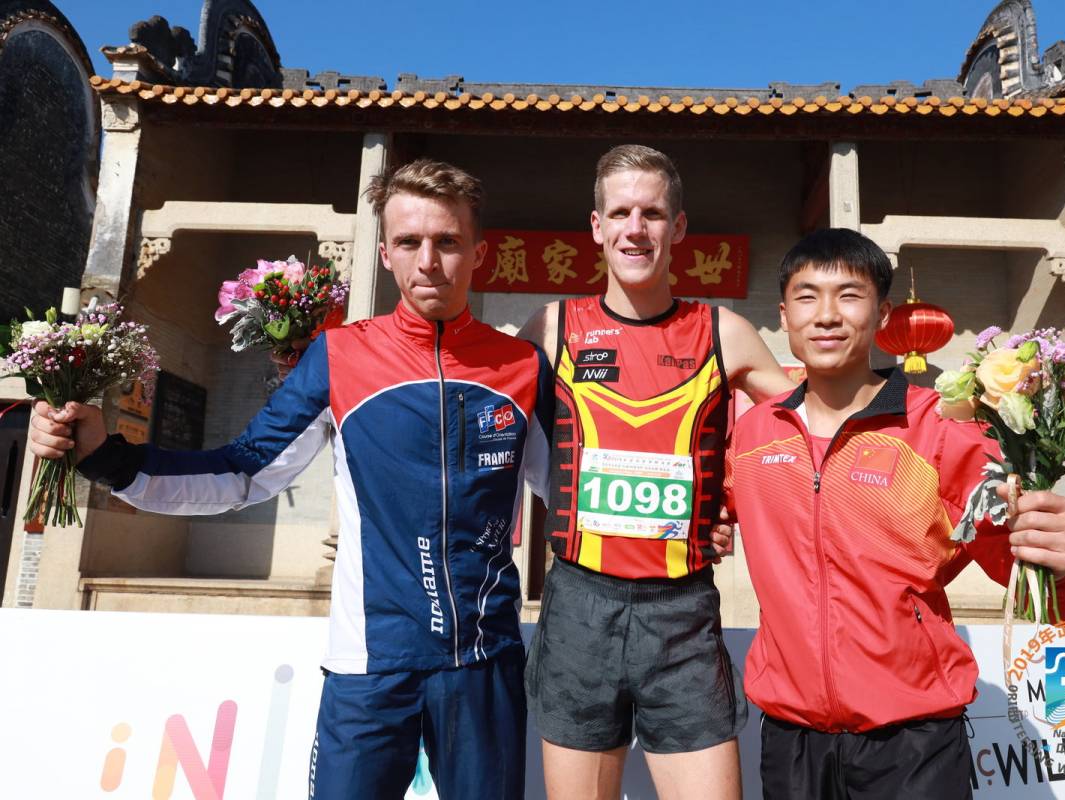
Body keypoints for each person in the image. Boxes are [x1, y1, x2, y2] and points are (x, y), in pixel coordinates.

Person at [28, 159, 552, 800]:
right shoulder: (342, 356)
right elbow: (244, 470)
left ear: (479, 251)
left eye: (447, 242)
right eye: (410, 243)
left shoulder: (523, 366)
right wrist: (106, 456)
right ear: (385, 253)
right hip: (368, 668)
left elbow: (576, 496)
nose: (428, 262)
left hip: (484, 665)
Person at [725, 228, 1065, 799]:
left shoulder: (941, 432)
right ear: (783, 315)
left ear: (882, 314)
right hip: (791, 739)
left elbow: (1034, 582)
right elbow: (708, 518)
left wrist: (1062, 564)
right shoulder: (751, 433)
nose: (826, 315)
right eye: (807, 296)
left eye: (849, 295)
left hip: (914, 741)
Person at [518, 144, 795, 800]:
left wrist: (725, 494)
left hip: (682, 612)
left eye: (652, 213)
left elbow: (799, 439)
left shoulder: (725, 331)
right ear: (596, 227)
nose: (634, 228)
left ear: (679, 227)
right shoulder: (552, 327)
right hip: (580, 606)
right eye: (620, 213)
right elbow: (483, 429)